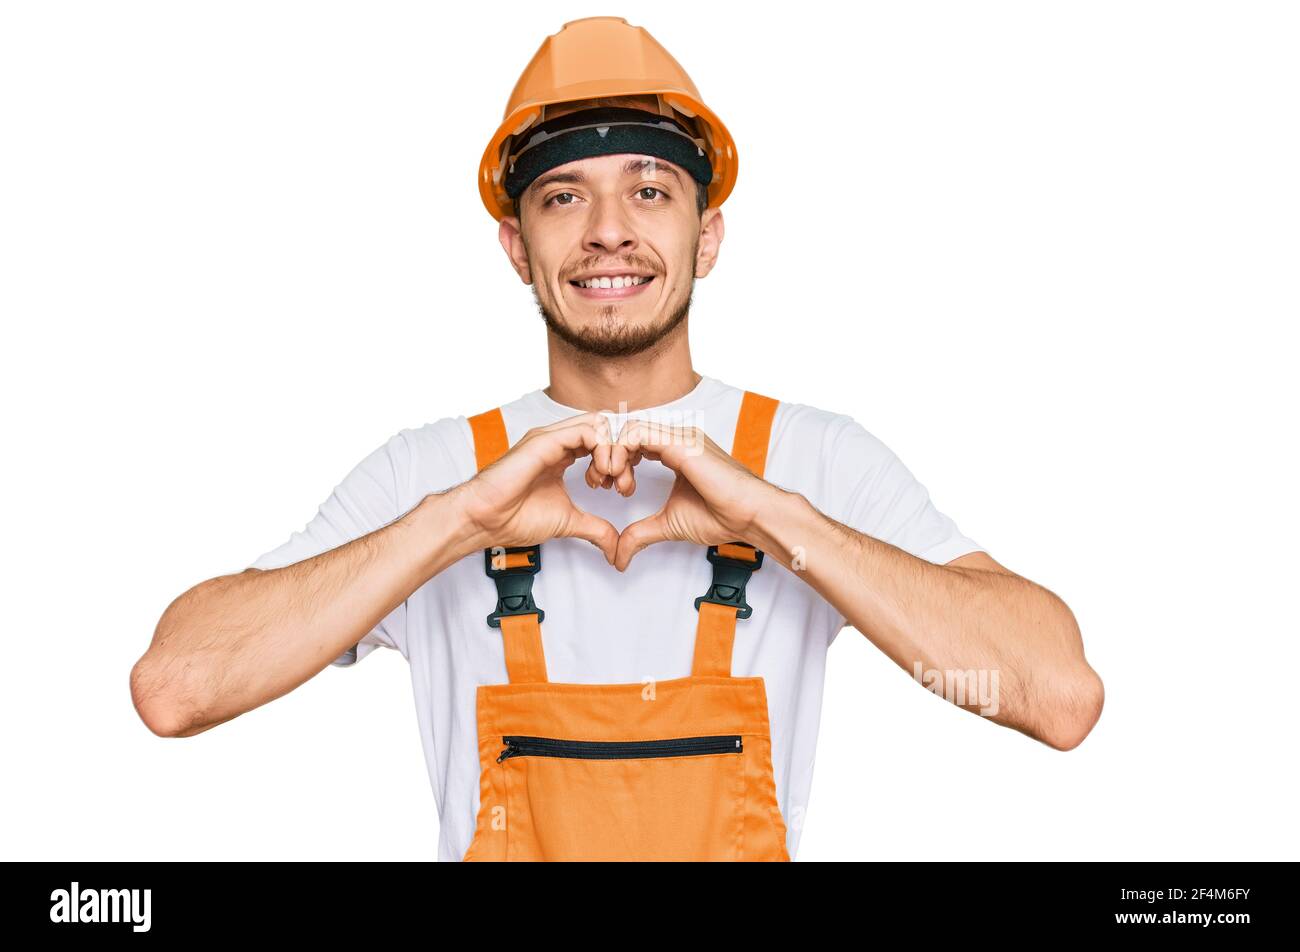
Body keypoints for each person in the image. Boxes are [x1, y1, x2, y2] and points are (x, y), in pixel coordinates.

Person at [131, 17, 1103, 861]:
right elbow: (178, 689)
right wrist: (457, 521)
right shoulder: (430, 473)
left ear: (706, 236)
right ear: (517, 246)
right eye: (562, 196)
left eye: (648, 191)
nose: (606, 231)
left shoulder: (810, 459)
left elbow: (1053, 697)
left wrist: (771, 516)